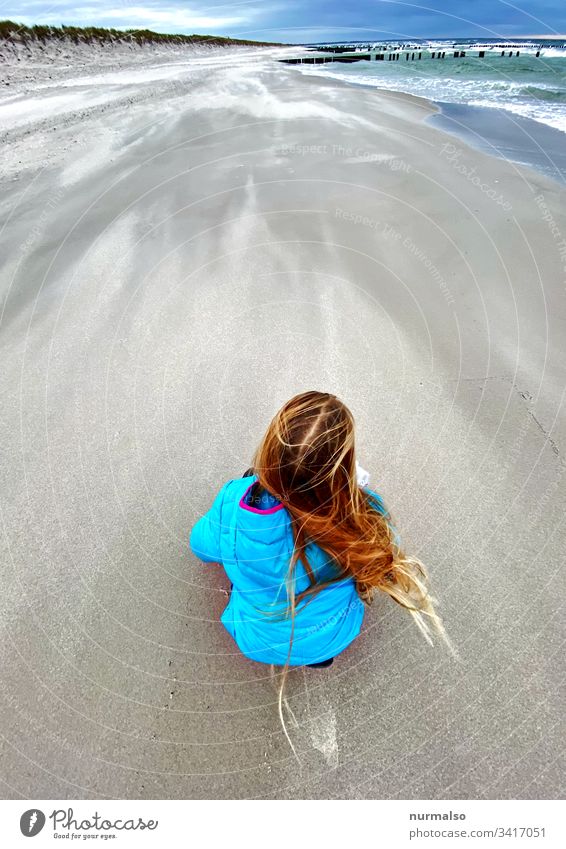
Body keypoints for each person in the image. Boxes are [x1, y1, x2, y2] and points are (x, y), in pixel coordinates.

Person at [190, 391, 454, 751]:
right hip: (333, 636)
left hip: (255, 638)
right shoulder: (367, 515)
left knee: (250, 570)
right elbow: (379, 558)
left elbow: (201, 546)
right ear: (345, 468)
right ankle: (318, 656)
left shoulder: (234, 503)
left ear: (269, 452)